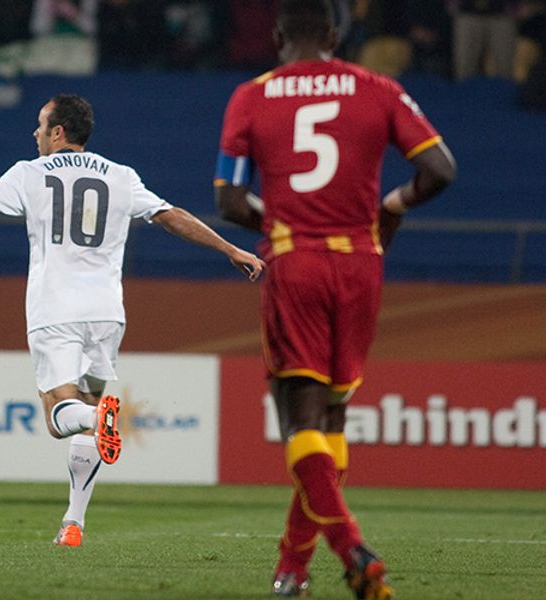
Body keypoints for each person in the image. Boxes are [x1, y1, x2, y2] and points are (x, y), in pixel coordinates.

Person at [0, 94, 265, 547]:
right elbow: (172, 216)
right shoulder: (121, 176)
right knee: (89, 407)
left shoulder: (29, 173)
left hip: (55, 309)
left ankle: (98, 425)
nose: (35, 134)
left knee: (61, 417)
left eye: (40, 125)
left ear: (58, 132)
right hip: (107, 313)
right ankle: (73, 522)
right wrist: (231, 249)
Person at [215, 1, 456, 598]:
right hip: (360, 264)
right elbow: (440, 170)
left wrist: (279, 224)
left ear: (276, 36)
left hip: (296, 261)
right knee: (332, 418)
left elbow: (227, 199)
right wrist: (390, 209)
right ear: (333, 34)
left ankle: (351, 547)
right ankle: (291, 569)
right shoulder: (379, 89)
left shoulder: (253, 94)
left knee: (298, 415)